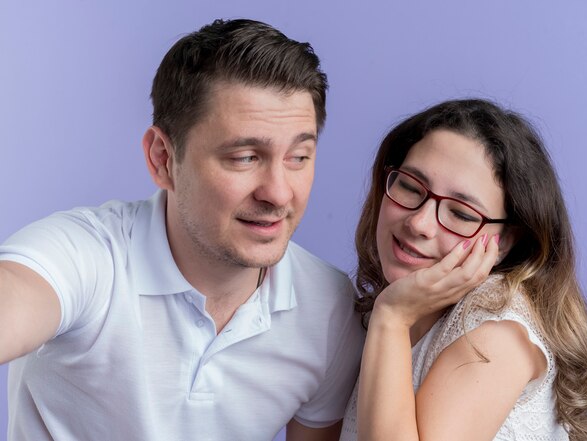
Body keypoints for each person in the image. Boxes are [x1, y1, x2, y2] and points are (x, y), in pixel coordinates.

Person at [0, 19, 366, 441]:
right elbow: (18, 297)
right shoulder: (87, 255)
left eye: (299, 157)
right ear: (162, 159)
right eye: (245, 157)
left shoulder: (331, 309)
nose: (279, 194)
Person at [339, 99, 587, 440]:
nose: (420, 223)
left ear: (504, 242)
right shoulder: (388, 314)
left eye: (462, 214)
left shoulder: (496, 337)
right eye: (410, 187)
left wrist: (392, 317)